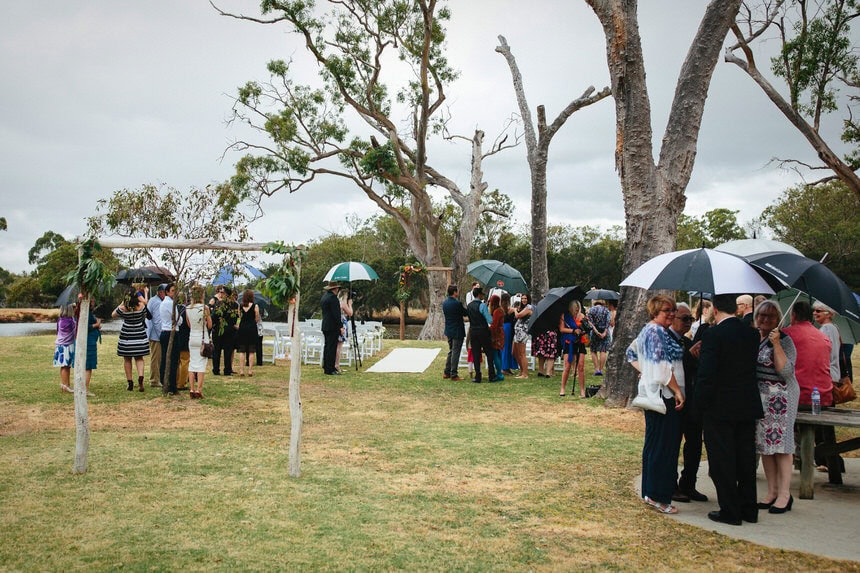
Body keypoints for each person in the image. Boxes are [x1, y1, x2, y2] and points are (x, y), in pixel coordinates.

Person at [697, 293, 763, 526]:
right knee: (745, 458)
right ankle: (749, 508)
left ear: (714, 309)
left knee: (722, 459)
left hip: (720, 405)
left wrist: (700, 403)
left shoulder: (713, 335)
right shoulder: (751, 333)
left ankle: (730, 510)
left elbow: (707, 374)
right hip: (746, 402)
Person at [625, 295, 685, 515]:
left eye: (673, 310)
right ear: (655, 311)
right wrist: (677, 390)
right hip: (662, 397)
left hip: (652, 396)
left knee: (654, 444)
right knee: (663, 446)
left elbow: (631, 353)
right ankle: (658, 496)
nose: (671, 314)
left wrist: (645, 371)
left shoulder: (647, 330)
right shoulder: (657, 332)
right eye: (667, 310)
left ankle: (650, 492)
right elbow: (662, 369)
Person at [753, 300, 799, 514]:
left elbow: (786, 371)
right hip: (761, 397)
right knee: (765, 445)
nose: (765, 319)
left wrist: (777, 344)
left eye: (771, 316)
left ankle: (784, 494)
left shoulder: (785, 340)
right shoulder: (755, 337)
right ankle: (771, 491)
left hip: (781, 397)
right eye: (761, 314)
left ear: (778, 318)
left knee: (782, 445)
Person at [667, 303, 708, 503]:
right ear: (673, 318)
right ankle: (671, 485)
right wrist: (688, 355)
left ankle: (688, 483)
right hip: (675, 400)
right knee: (673, 443)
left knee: (694, 444)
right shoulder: (668, 341)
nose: (688, 323)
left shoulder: (686, 341)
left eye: (690, 319)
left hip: (692, 400)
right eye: (684, 319)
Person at [113, 289, 150, 392]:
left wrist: (122, 302)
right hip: (139, 333)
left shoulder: (123, 308)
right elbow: (145, 314)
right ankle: (141, 377)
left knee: (127, 359)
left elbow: (113, 314)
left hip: (127, 335)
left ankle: (130, 382)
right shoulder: (141, 306)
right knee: (139, 358)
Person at [466, 287, 498, 383]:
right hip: (483, 331)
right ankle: (491, 375)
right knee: (489, 353)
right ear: (479, 295)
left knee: (476, 353)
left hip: (473, 331)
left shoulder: (469, 305)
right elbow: (490, 320)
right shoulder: (482, 305)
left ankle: (478, 376)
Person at [186, 285, 212, 399]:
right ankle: (199, 390)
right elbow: (210, 324)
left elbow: (189, 324)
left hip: (192, 337)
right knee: (201, 364)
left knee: (192, 363)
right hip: (203, 337)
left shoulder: (188, 308)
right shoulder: (205, 308)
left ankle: (191, 388)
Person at [559, 300, 588, 397]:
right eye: (575, 310)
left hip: (580, 342)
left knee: (581, 366)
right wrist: (573, 330)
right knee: (567, 366)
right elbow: (562, 329)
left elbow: (587, 328)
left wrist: (583, 328)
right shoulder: (565, 316)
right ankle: (562, 388)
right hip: (569, 342)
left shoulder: (582, 316)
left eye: (578, 309)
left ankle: (582, 390)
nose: (577, 311)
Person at [159, 283, 182, 394]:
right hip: (171, 332)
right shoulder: (170, 303)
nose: (175, 293)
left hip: (165, 331)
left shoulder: (164, 303)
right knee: (173, 360)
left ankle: (165, 383)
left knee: (165, 358)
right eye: (173, 291)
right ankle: (172, 385)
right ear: (167, 292)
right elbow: (179, 320)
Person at [211, 286, 238, 377]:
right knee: (227, 351)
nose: (220, 294)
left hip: (220, 329)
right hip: (229, 330)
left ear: (226, 294)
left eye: (222, 292)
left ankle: (216, 369)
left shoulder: (219, 304)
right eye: (220, 292)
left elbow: (214, 317)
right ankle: (227, 369)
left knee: (218, 350)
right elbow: (234, 319)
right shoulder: (234, 305)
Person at [442, 284, 467, 381]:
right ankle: (454, 374)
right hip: (457, 330)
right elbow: (465, 313)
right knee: (456, 352)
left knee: (451, 351)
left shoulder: (445, 303)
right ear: (455, 292)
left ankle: (446, 372)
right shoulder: (457, 304)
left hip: (449, 329)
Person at [236, 289, 262, 377]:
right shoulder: (255, 306)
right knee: (251, 351)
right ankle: (250, 370)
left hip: (242, 328)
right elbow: (257, 318)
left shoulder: (240, 306)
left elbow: (239, 316)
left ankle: (241, 370)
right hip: (251, 328)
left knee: (242, 350)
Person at [54, 303, 77, 394]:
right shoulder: (69, 321)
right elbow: (75, 331)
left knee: (65, 366)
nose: (75, 309)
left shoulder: (60, 319)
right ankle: (65, 385)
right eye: (74, 308)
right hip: (66, 346)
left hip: (60, 345)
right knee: (65, 366)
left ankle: (66, 385)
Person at [146, 284, 166, 387]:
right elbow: (157, 321)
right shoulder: (158, 303)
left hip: (152, 333)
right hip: (156, 335)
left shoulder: (152, 300)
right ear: (161, 292)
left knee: (156, 358)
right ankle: (154, 380)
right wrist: (161, 335)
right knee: (156, 358)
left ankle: (157, 378)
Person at [321, 281, 342, 376]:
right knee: (332, 348)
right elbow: (336, 314)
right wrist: (340, 326)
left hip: (325, 325)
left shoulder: (324, 297)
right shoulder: (333, 299)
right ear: (335, 289)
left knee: (327, 347)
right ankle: (330, 368)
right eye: (337, 288)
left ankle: (326, 366)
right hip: (332, 326)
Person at [82, 297, 101, 397]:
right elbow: (84, 326)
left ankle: (83, 388)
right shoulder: (84, 312)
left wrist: (97, 324)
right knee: (88, 366)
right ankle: (84, 389)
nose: (94, 302)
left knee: (87, 366)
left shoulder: (87, 312)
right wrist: (96, 324)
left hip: (91, 340)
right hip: (88, 342)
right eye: (92, 301)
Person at [587, 299, 612, 376]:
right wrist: (604, 332)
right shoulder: (606, 310)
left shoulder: (591, 310)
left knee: (593, 350)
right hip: (605, 332)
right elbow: (608, 322)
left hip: (594, 332)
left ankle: (596, 369)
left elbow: (590, 323)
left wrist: (596, 332)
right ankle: (601, 369)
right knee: (603, 350)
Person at [512, 293, 533, 379]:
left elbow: (518, 315)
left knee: (522, 353)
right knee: (514, 352)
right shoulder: (521, 308)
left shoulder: (529, 308)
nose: (524, 300)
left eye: (525, 298)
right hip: (517, 332)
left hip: (523, 332)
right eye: (522, 298)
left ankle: (525, 374)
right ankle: (521, 370)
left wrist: (514, 310)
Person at [335, 288, 354, 374]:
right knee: (339, 346)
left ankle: (335, 364)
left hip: (337, 324)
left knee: (337, 345)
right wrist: (350, 304)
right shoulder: (343, 303)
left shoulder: (337, 302)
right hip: (342, 324)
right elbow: (350, 313)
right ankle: (337, 364)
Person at [175, 293, 191, 390]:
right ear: (185, 300)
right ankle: (181, 383)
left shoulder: (174, 309)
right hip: (185, 337)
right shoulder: (186, 310)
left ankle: (175, 380)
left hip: (176, 336)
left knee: (176, 361)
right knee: (184, 361)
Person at [488, 294, 505, 381]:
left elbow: (494, 325)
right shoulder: (500, 310)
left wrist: (489, 329)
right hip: (500, 333)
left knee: (495, 354)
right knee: (498, 353)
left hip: (496, 334)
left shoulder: (497, 311)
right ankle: (500, 372)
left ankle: (499, 373)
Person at [500, 293, 516, 375]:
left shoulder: (500, 309)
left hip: (503, 328)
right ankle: (505, 368)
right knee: (508, 348)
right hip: (509, 329)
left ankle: (505, 367)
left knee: (504, 348)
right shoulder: (512, 310)